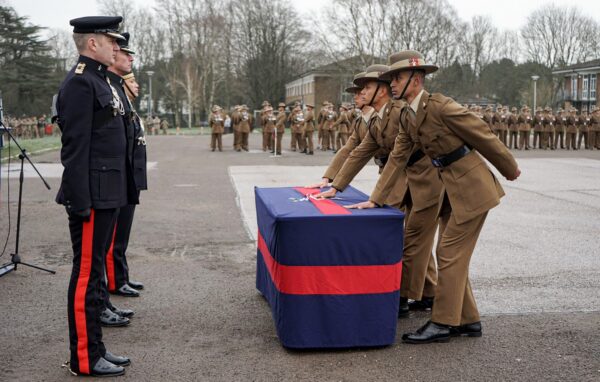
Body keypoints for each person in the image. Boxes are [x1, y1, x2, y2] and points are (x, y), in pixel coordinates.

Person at [318, 50, 520, 344]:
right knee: (453, 256)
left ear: (417, 78)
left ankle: (442, 322)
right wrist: (375, 199)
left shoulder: (440, 107)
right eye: (391, 79)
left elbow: (482, 133)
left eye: (397, 77)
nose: (393, 83)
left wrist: (509, 168)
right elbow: (397, 158)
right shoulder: (410, 116)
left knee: (448, 254)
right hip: (451, 188)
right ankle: (469, 319)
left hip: (472, 187)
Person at [56, 16, 136, 377]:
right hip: (93, 195)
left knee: (94, 277)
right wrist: (80, 200)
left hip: (109, 193)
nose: (115, 47)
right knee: (86, 276)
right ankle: (84, 358)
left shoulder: (100, 80)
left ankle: (97, 348)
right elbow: (75, 148)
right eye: (109, 41)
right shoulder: (79, 84)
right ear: (92, 44)